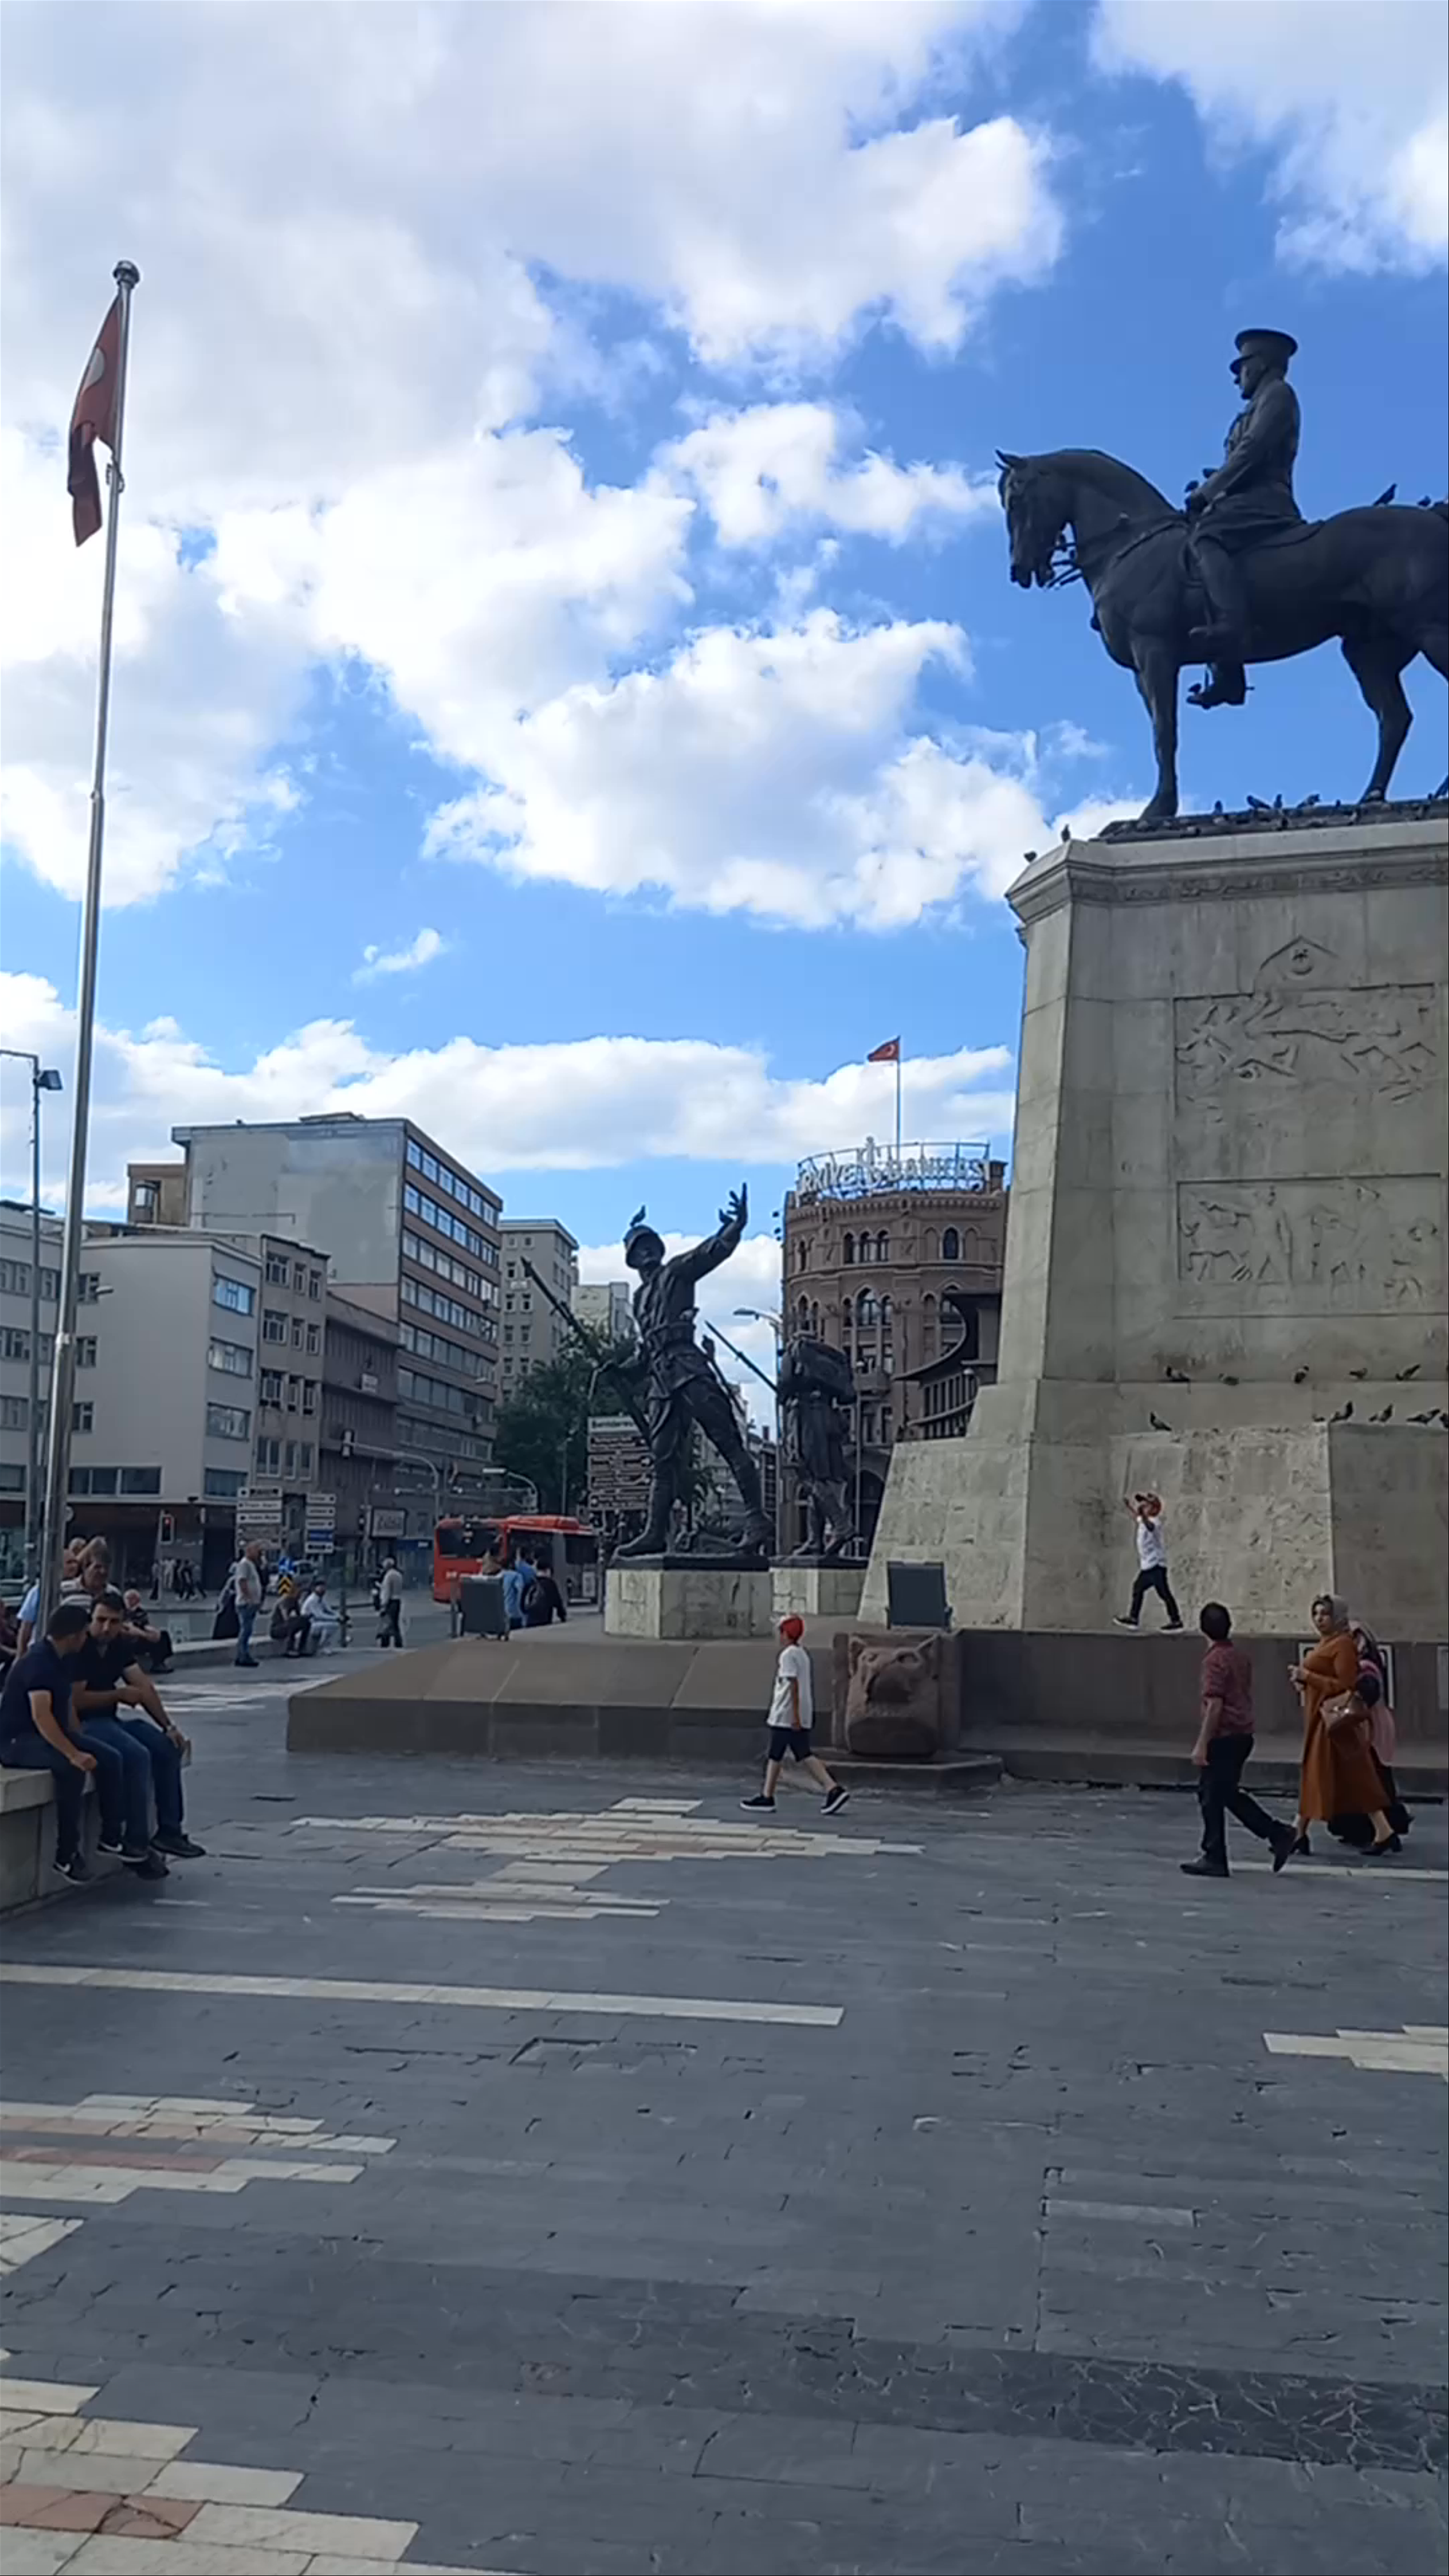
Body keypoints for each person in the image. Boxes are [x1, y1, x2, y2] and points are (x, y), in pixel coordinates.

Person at [1185, 327, 1302, 711]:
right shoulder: (1253, 408)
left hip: (1266, 502)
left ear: (1263, 364)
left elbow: (1253, 450)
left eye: (1242, 367)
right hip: (1243, 499)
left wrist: (1209, 491)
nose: (1237, 377)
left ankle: (1231, 627)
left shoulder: (1278, 395)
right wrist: (1216, 484)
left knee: (1206, 538)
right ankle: (1228, 676)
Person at [0, 1600, 157, 1883]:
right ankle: (67, 1854)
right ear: (74, 1636)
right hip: (17, 1741)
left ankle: (111, 1835)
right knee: (71, 1770)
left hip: (43, 1734)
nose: (87, 1638)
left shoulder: (63, 1660)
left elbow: (66, 1706)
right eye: (85, 1633)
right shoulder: (39, 1662)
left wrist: (80, 1740)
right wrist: (73, 1753)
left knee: (110, 1757)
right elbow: (41, 1715)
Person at [72, 1590, 205, 1862]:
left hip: (110, 1720)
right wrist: (118, 1695)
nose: (106, 1628)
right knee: (137, 1755)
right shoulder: (81, 1647)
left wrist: (168, 1726)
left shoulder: (119, 1646)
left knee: (166, 1747)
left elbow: (144, 1687)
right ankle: (135, 1840)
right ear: (90, 1619)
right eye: (101, 1620)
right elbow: (75, 1700)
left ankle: (170, 1831)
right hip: (83, 1723)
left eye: (114, 1622)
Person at [1180, 1603, 1294, 1880]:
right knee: (1225, 1793)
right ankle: (1277, 1833)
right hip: (1243, 1733)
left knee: (1211, 1795)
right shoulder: (1239, 1657)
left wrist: (1202, 1743)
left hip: (1225, 1736)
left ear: (1203, 1628)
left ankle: (1215, 1855)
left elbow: (1215, 1705)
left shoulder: (1213, 1661)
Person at [1290, 1592, 1397, 1858]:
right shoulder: (1326, 1643)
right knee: (1337, 1776)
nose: (1319, 1619)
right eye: (1316, 1614)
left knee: (1341, 1776)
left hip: (1333, 1723)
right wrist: (1304, 1681)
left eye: (1325, 1614)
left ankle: (1299, 1833)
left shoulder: (1343, 1645)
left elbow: (1345, 1686)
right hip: (1321, 1720)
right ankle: (1300, 1832)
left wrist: (1308, 1676)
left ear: (1337, 1617)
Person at [742, 1616, 851, 1817]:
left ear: (786, 1634)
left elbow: (793, 1686)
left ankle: (768, 1797)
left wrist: (795, 1716)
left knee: (777, 1754)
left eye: (781, 1632)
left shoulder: (788, 1656)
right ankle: (832, 1789)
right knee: (802, 1753)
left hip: (786, 1715)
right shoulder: (802, 1654)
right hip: (797, 1713)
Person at [1114, 1492, 1183, 1632]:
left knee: (1164, 1593)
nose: (1144, 1507)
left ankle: (1176, 1621)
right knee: (1138, 1589)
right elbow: (1138, 1518)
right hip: (1148, 1566)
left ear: (1155, 1509)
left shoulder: (1156, 1522)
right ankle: (1134, 1619)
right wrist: (1129, 1507)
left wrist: (1144, 1516)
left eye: (1147, 1505)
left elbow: (1150, 1527)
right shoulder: (1144, 1520)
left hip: (1156, 1565)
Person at [122, 1588, 175, 1674]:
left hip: (139, 1637)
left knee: (163, 1635)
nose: (129, 1601)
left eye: (132, 1599)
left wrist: (151, 1632)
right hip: (128, 1639)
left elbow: (144, 1625)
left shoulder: (141, 1612)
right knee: (150, 1638)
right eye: (128, 1598)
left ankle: (159, 1663)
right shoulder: (121, 1611)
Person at [230, 1541, 264, 1667]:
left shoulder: (251, 1564)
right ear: (249, 1551)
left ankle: (243, 1655)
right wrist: (249, 1598)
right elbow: (242, 1582)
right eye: (257, 1550)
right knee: (246, 1630)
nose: (259, 1553)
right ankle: (242, 1656)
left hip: (251, 1603)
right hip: (246, 1604)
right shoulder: (244, 1564)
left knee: (248, 1630)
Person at [269, 1574, 311, 1658]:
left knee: (307, 1623)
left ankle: (302, 1648)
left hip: (286, 1626)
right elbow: (286, 1618)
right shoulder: (285, 1600)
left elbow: (299, 1614)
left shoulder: (295, 1601)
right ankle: (289, 1649)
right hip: (277, 1628)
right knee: (291, 1624)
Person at [522, 1557, 567, 1626]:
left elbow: (523, 1601)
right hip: (544, 1619)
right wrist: (562, 1616)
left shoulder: (531, 1582)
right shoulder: (550, 1584)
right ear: (548, 1570)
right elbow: (558, 1602)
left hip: (530, 1619)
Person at [300, 1579, 340, 1652]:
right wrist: (335, 1618)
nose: (323, 1589)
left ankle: (326, 1645)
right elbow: (319, 1615)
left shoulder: (321, 1598)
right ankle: (323, 1646)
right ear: (315, 1588)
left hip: (317, 1622)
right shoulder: (312, 1600)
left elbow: (329, 1609)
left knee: (334, 1625)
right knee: (332, 1626)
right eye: (321, 1588)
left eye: (324, 1587)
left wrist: (339, 1616)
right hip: (310, 1623)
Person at [376, 1556, 405, 1649]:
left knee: (387, 1623)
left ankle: (385, 1642)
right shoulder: (398, 1575)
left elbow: (387, 1591)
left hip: (391, 1602)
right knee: (395, 1624)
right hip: (398, 1600)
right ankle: (398, 1642)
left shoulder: (389, 1576)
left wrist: (383, 1604)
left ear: (387, 1566)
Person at [502, 1552, 530, 1632]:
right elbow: (520, 1591)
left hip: (502, 1613)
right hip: (515, 1612)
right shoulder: (517, 1576)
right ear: (511, 1565)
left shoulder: (499, 1576)